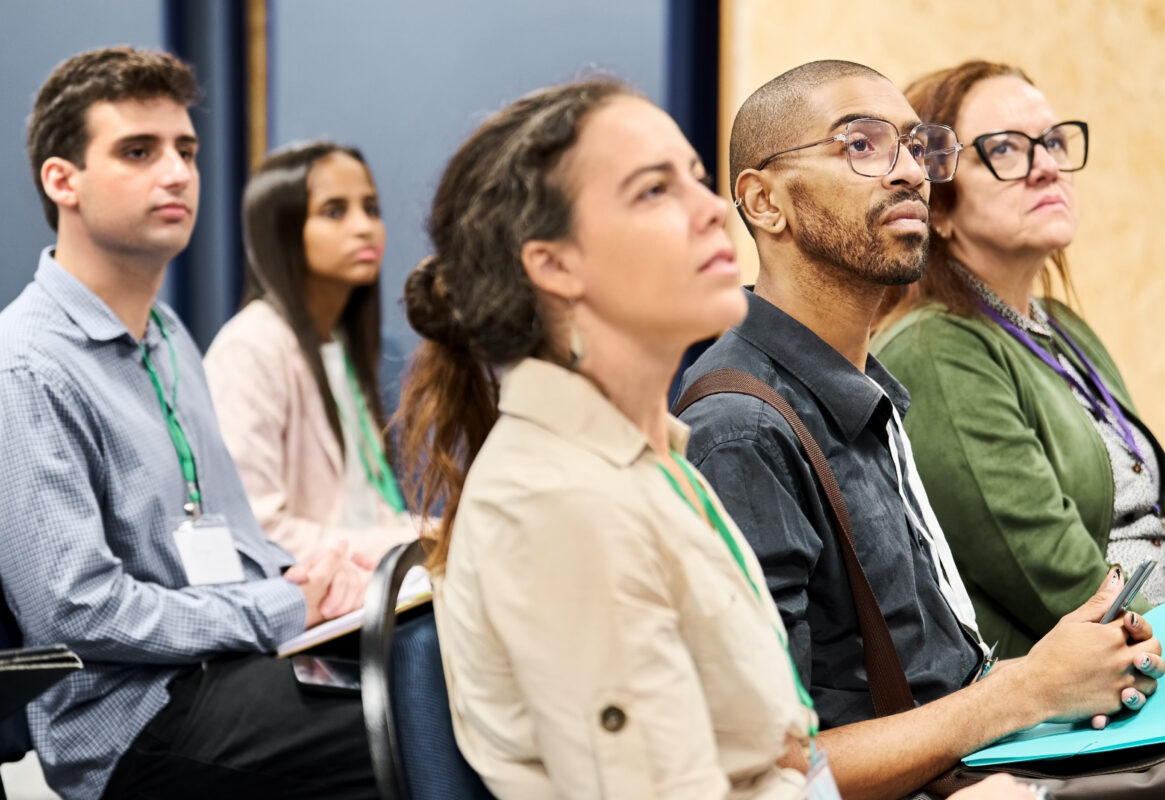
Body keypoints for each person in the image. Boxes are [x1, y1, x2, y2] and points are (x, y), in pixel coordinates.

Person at [394, 76, 1041, 800]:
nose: (710, 211)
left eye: (697, 182)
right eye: (653, 191)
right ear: (554, 264)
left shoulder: (652, 463)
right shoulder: (560, 502)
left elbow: (781, 760)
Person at [676, 59, 1163, 800]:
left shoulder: (861, 387)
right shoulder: (741, 430)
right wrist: (1026, 691)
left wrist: (1063, 672)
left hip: (989, 763)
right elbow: (766, 772)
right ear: (763, 202)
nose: (908, 173)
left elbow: (936, 676)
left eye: (917, 147)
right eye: (863, 146)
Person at [1, 47, 380, 799]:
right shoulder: (25, 367)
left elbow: (235, 540)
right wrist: (278, 606)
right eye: (138, 152)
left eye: (186, 150)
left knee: (439, 671)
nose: (175, 173)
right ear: (61, 180)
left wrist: (308, 579)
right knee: (419, 728)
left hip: (231, 666)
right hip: (135, 719)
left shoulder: (168, 334)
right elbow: (77, 611)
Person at [871, 60, 1165, 658]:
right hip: (1090, 709)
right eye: (1005, 149)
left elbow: (1158, 511)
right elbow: (1058, 577)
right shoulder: (936, 351)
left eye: (1051, 141)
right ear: (937, 208)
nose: (1047, 165)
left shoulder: (1061, 324)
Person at [206, 141, 418, 565]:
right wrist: (399, 545)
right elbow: (255, 530)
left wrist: (422, 534)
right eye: (335, 211)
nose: (364, 228)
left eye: (371, 209)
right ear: (281, 231)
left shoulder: (342, 342)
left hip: (368, 593)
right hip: (307, 613)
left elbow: (366, 505)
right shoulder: (248, 348)